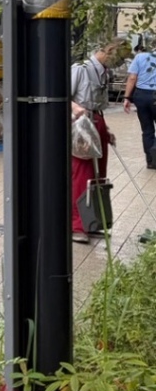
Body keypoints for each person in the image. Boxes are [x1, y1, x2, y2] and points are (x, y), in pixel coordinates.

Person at [70, 39, 123, 244]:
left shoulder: (104, 72)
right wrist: (75, 109)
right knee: (81, 174)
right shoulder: (81, 68)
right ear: (109, 52)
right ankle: (76, 224)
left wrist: (105, 130)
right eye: (118, 57)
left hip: (97, 120)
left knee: (98, 175)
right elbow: (63, 94)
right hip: (82, 123)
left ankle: (91, 221)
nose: (119, 63)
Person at [122, 40, 156, 169]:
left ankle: (151, 161)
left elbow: (132, 78)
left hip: (141, 95)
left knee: (147, 130)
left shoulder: (140, 57)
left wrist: (126, 97)